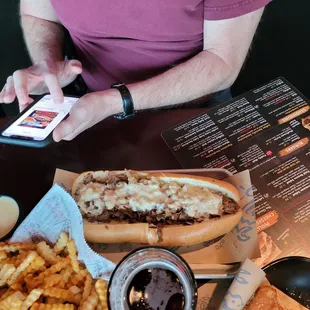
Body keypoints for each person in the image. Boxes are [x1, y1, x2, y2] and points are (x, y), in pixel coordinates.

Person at [0, 0, 271, 142]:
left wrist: (118, 100)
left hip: (193, 110)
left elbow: (222, 62)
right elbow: (39, 14)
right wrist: (49, 63)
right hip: (87, 104)